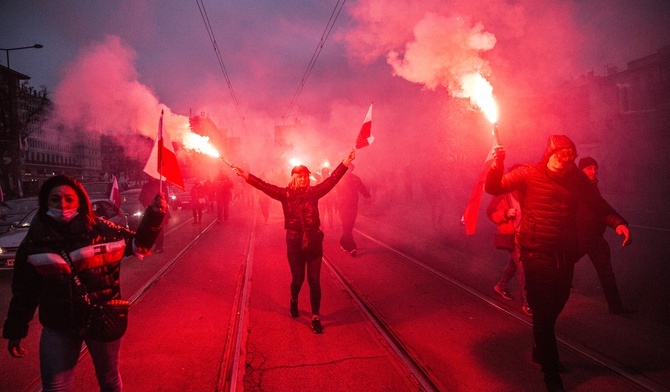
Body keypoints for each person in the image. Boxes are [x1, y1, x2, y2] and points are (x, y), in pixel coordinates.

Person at [485, 135, 631, 392]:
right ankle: (552, 375)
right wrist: (497, 165)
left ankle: (542, 349)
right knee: (542, 312)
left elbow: (597, 204)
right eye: (558, 162)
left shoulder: (575, 179)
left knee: (558, 303)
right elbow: (494, 188)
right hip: (535, 252)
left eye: (567, 163)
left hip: (564, 252)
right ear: (548, 155)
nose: (562, 168)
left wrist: (617, 222)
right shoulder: (529, 173)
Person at [3, 175, 166, 392]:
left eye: (69, 199)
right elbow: (25, 291)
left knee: (109, 381)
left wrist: (154, 216)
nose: (62, 205)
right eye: (55, 199)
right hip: (58, 326)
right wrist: (16, 329)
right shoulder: (34, 241)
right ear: (46, 203)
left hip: (100, 320)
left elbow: (139, 246)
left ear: (80, 201)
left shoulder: (101, 230)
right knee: (55, 387)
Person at [233, 149, 356, 334]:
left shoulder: (314, 192)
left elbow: (332, 180)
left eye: (305, 176)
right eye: (299, 177)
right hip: (294, 242)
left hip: (314, 241)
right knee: (298, 279)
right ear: (292, 179)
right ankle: (294, 299)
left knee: (314, 280)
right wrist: (247, 176)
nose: (302, 179)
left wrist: (345, 162)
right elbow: (264, 186)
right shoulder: (285, 194)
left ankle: (315, 317)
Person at [576, 157, 634, 314]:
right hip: (578, 238)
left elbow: (601, 209)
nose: (594, 171)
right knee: (561, 269)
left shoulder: (593, 187)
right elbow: (599, 208)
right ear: (581, 171)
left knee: (607, 273)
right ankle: (545, 302)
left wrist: (618, 224)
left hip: (595, 237)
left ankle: (616, 307)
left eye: (595, 167)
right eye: (589, 168)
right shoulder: (576, 188)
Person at [487, 172, 532, 316]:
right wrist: (506, 213)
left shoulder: (526, 193)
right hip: (511, 236)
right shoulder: (502, 194)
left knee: (514, 264)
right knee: (523, 267)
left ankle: (501, 287)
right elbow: (491, 214)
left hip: (525, 236)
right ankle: (527, 302)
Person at [336, 163, 371, 256]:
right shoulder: (338, 178)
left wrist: (367, 196)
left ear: (352, 169)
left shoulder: (356, 178)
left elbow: (362, 188)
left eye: (350, 168)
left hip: (353, 205)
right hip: (342, 205)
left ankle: (343, 242)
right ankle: (352, 247)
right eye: (347, 168)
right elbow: (332, 190)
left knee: (349, 225)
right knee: (346, 224)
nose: (349, 170)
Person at [139, 178, 171, 253]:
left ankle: (158, 246)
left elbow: (166, 198)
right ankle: (156, 245)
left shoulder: (160, 185)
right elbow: (142, 198)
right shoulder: (148, 186)